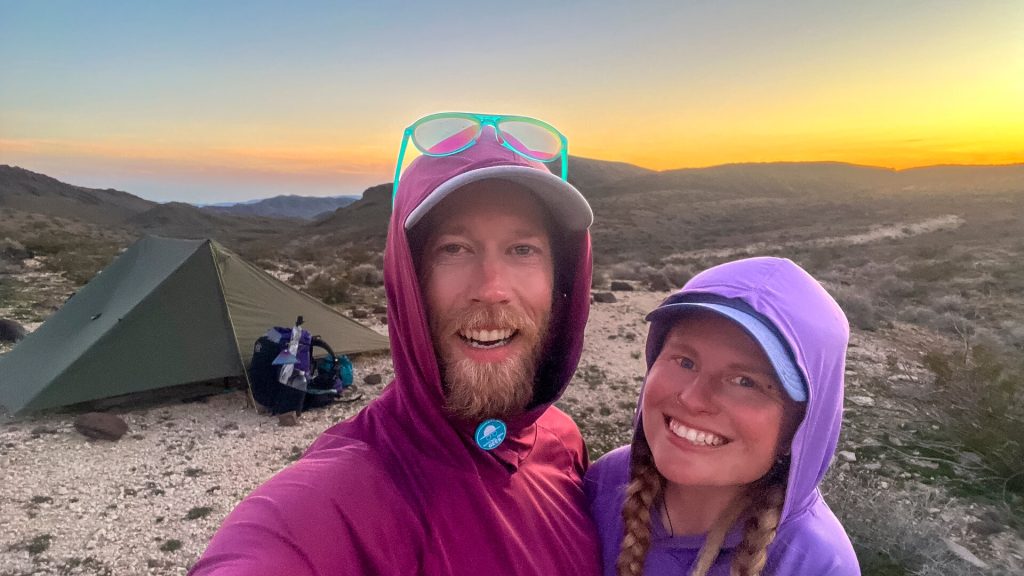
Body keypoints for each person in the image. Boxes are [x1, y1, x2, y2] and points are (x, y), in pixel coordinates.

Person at [190, 112, 601, 575]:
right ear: (408, 280)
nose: (492, 288)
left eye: (523, 249)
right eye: (454, 249)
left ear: (561, 281)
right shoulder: (336, 501)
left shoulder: (562, 440)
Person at [586, 257, 860, 576]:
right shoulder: (606, 481)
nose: (693, 399)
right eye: (685, 361)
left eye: (745, 382)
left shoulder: (814, 563)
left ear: (800, 428)